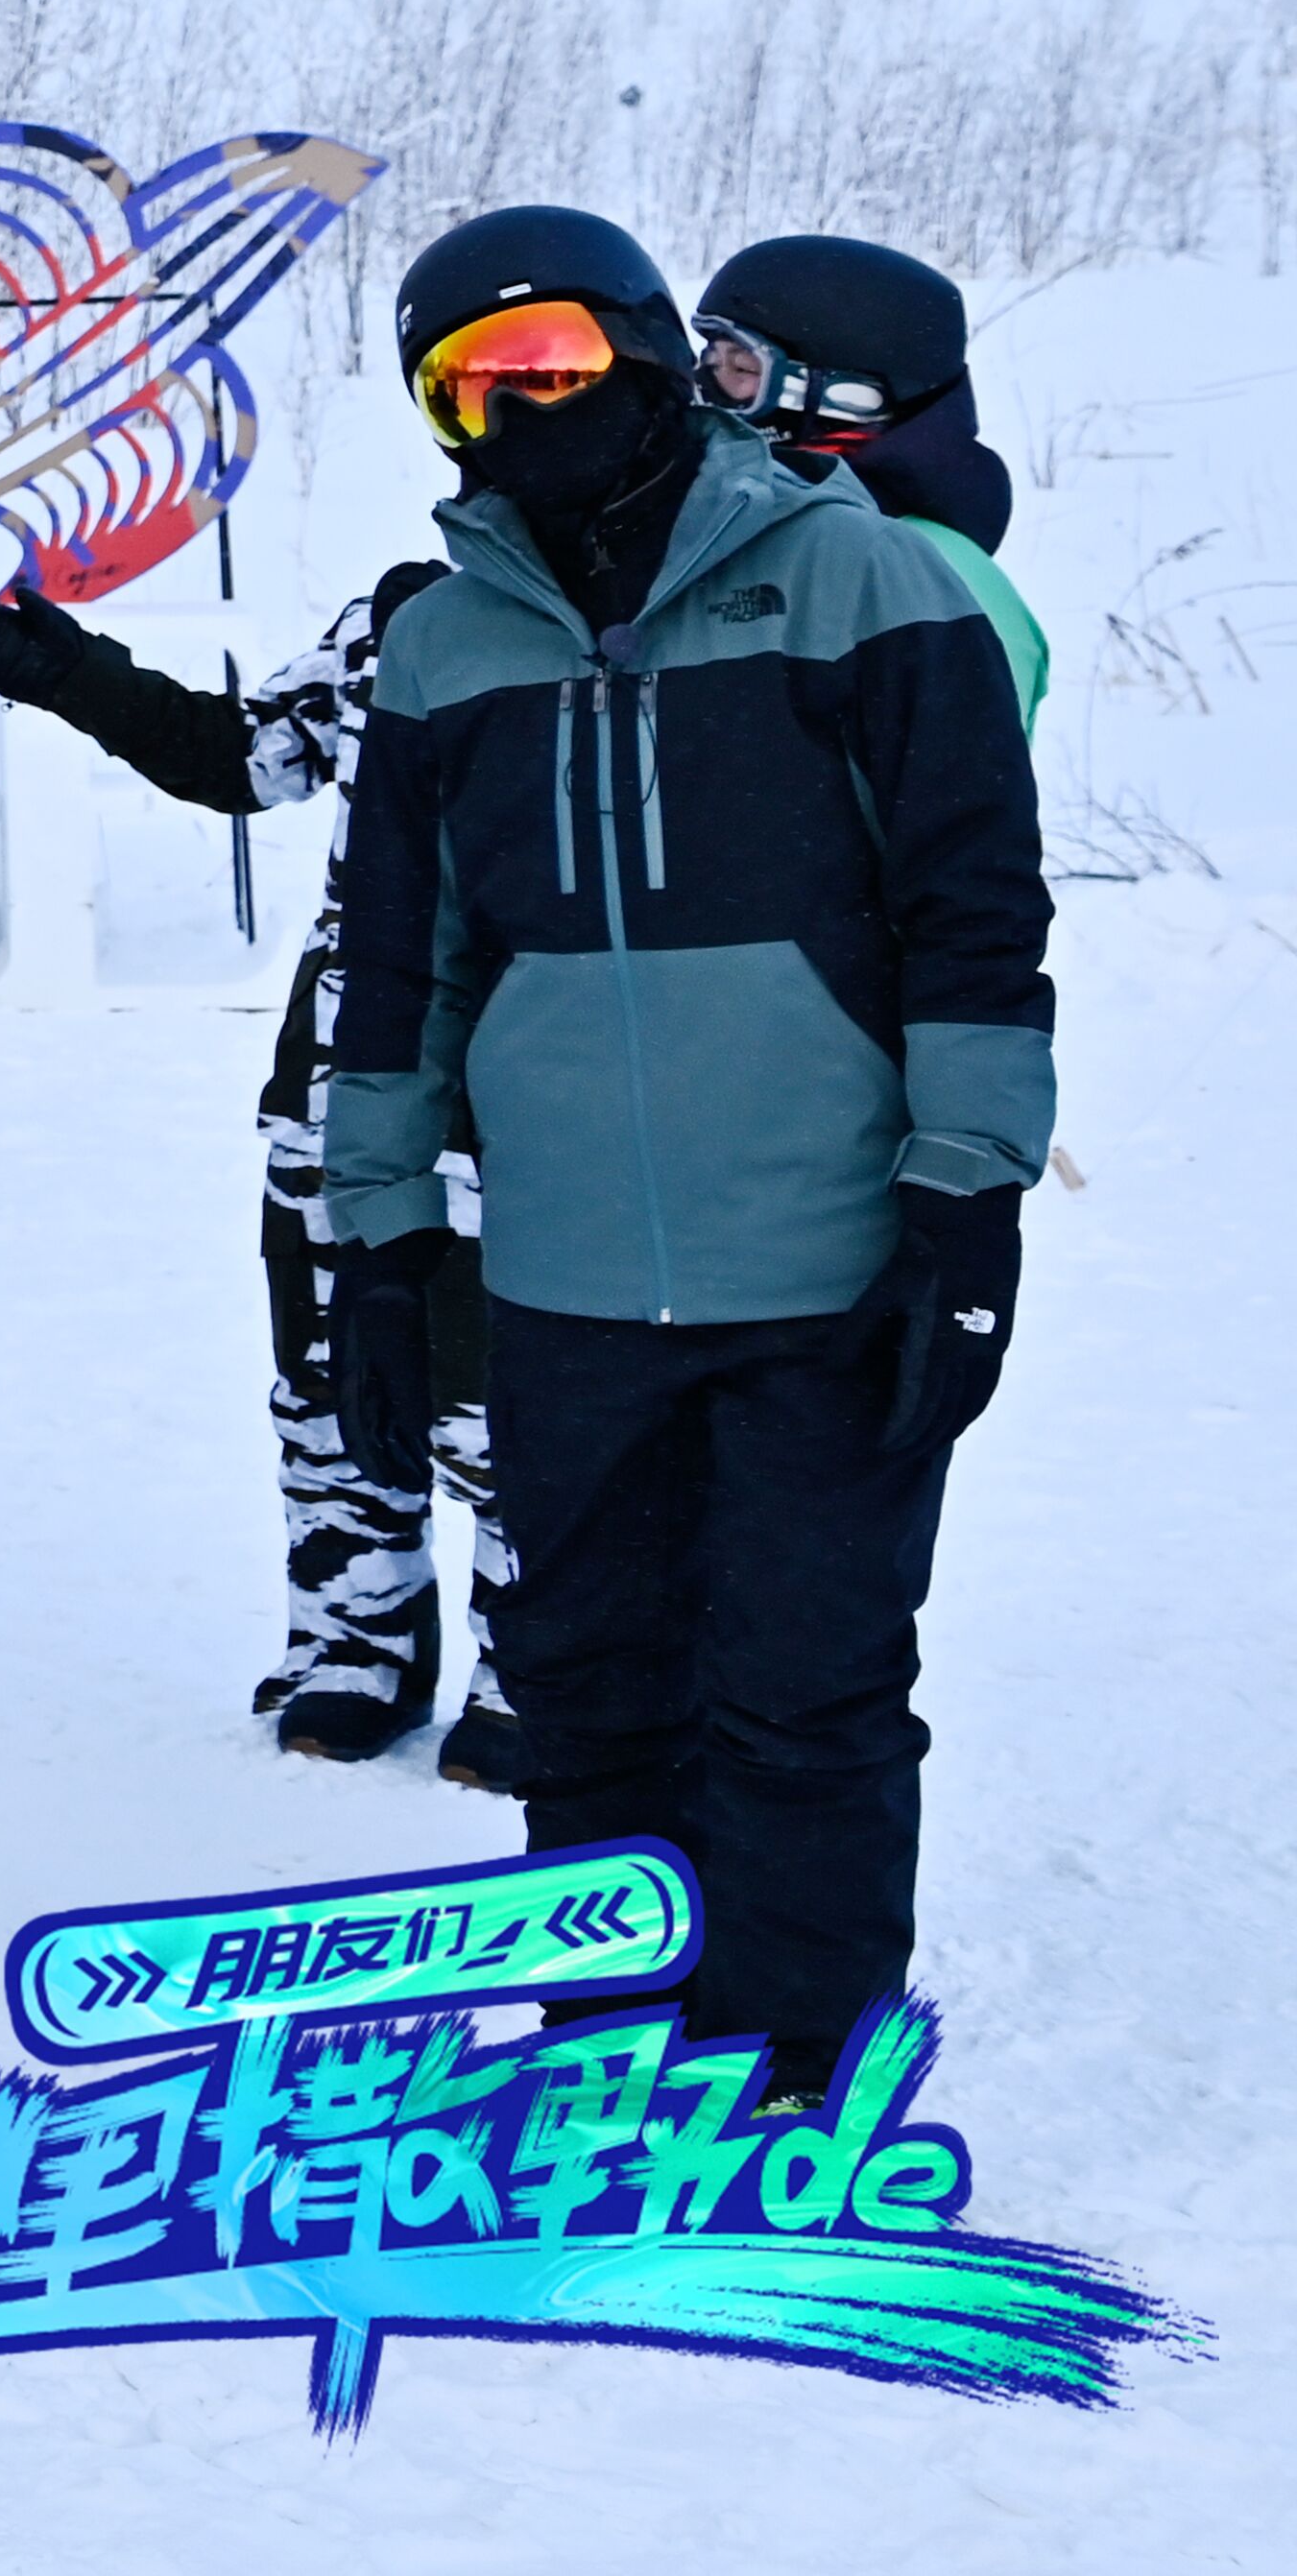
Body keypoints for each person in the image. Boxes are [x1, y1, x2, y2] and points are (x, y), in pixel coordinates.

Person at [318, 207, 1051, 2105]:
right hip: (563, 1284)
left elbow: (974, 909)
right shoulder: (444, 642)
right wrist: (383, 1239)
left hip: (823, 1262)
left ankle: (798, 2066)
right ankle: (607, 2055)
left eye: (549, 357)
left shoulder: (866, 586)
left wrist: (967, 1194)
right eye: (466, 383)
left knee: (803, 1687)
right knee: (589, 1692)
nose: (518, 404)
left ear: (650, 347)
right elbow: (404, 970)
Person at [0, 551, 510, 1780]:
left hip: (523, 1062)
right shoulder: (392, 614)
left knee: (502, 1385)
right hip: (342, 1061)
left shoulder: (615, 643)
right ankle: (357, 1634)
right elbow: (246, 755)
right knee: (323, 1369)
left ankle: (538, 1662)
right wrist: (76, 675)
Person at [691, 235, 1046, 717]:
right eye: (709, 361)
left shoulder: (941, 583)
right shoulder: (747, 527)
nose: (703, 391)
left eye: (741, 370)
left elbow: (959, 786)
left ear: (851, 396)